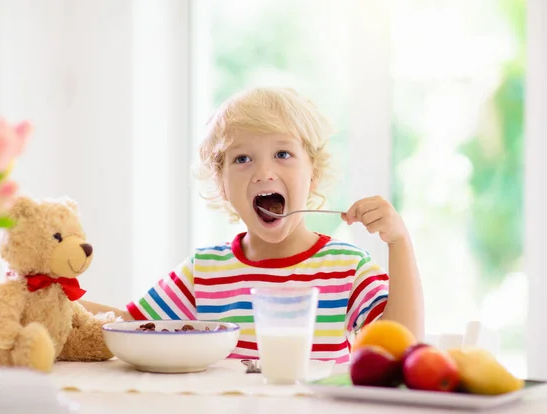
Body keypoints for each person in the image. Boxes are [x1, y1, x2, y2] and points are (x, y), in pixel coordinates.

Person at [81, 87, 424, 363]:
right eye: (242, 158)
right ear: (222, 185)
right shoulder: (205, 271)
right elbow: (130, 326)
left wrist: (399, 242)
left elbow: (401, 348)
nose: (263, 172)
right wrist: (49, 295)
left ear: (313, 173)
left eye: (283, 154)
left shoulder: (346, 268)